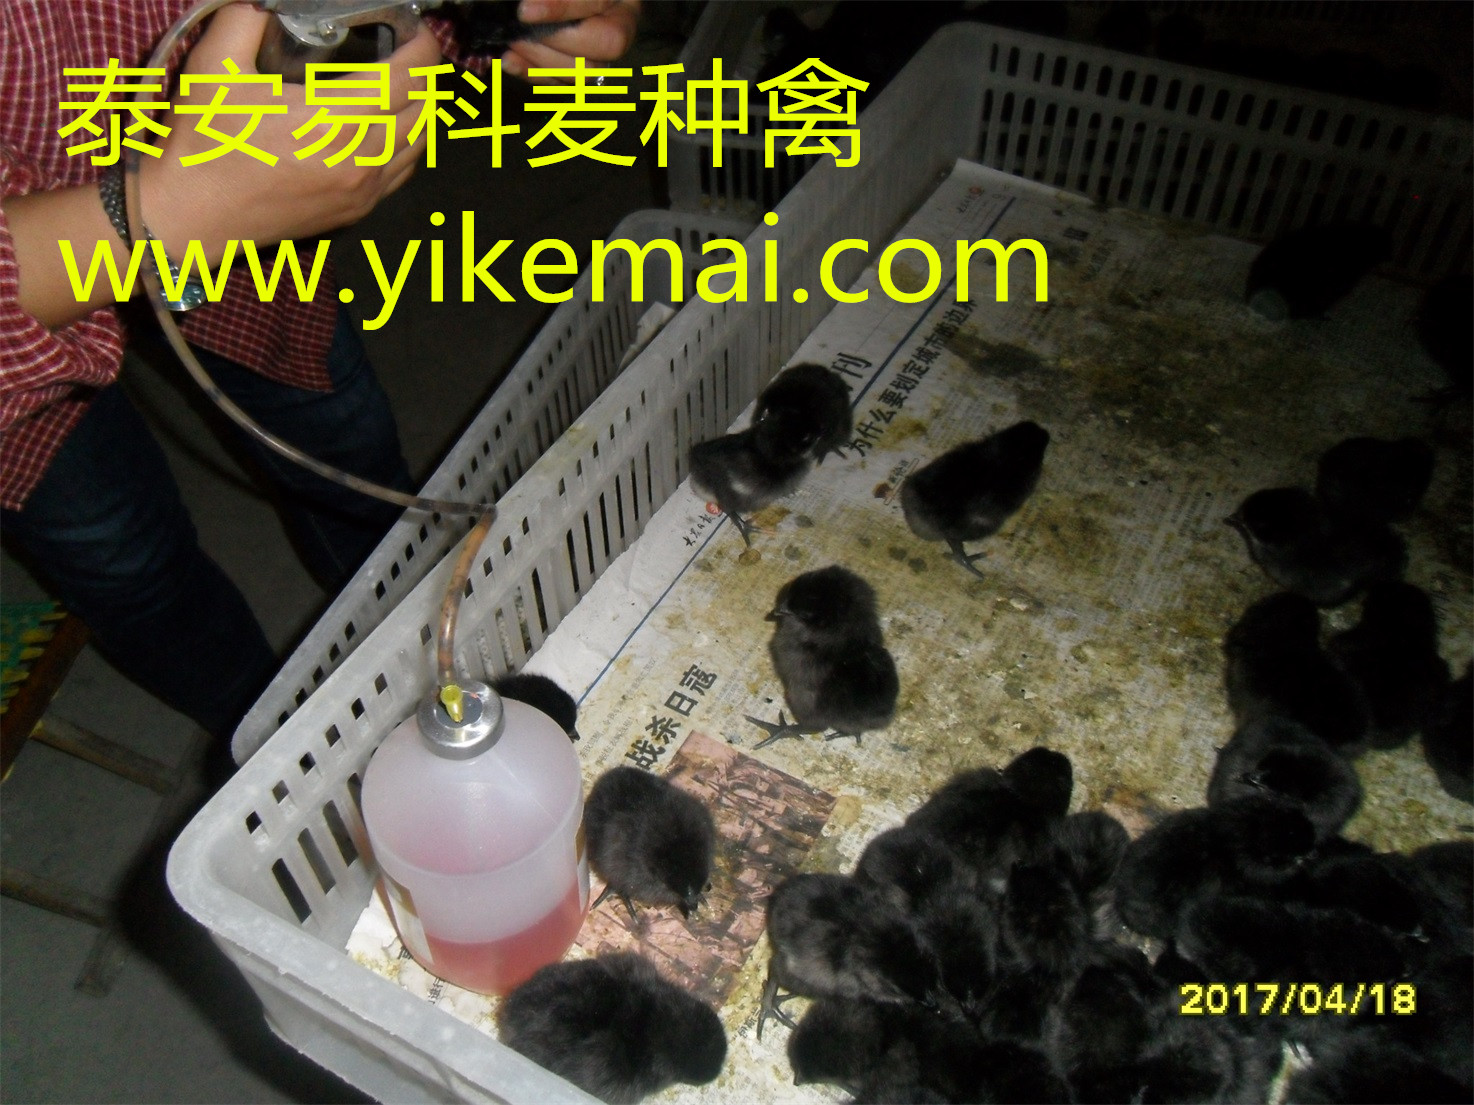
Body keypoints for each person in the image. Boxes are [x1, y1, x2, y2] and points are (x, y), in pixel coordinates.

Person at [0, 0, 641, 744]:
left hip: (260, 214)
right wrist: (168, 215)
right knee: (127, 558)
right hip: (33, 362)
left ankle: (428, 647)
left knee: (344, 443)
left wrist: (502, 17)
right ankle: (280, 737)